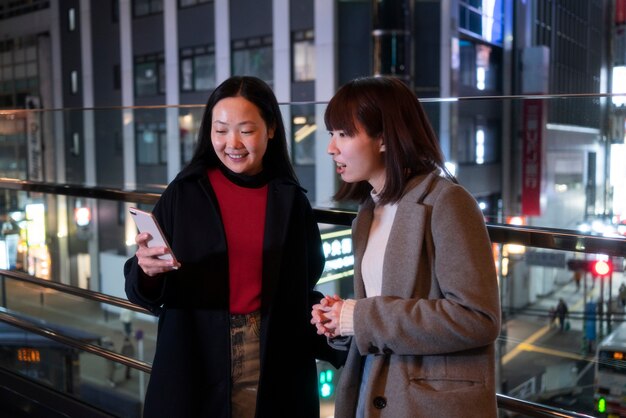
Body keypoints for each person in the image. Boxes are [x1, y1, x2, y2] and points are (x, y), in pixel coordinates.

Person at [124, 75, 341, 418]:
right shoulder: (184, 191)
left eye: (246, 129)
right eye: (221, 129)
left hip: (272, 355)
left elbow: (304, 285)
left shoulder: (290, 200)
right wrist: (147, 271)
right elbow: (140, 288)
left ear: (271, 129)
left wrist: (341, 328)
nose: (232, 142)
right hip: (195, 352)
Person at [310, 76, 501, 418]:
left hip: (427, 403)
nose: (331, 147)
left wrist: (359, 316)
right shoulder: (367, 215)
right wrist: (342, 322)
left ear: (383, 138)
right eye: (331, 134)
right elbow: (382, 316)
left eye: (344, 134)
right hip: (373, 395)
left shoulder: (447, 202)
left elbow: (478, 318)